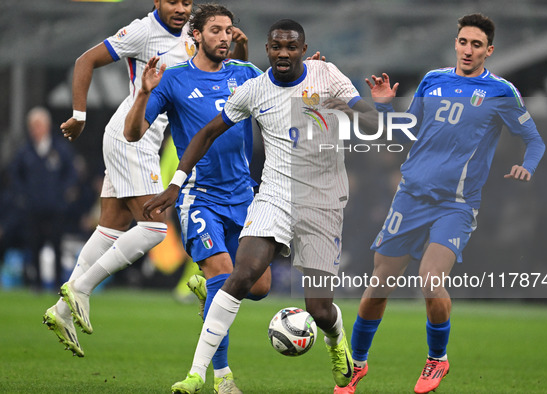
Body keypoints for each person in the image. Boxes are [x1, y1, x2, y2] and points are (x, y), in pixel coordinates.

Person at [143, 18, 383, 393]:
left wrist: (368, 108)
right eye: (276, 47)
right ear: (267, 50)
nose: (283, 53)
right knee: (241, 276)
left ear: (303, 50)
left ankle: (337, 344)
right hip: (273, 195)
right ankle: (197, 374)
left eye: (290, 47)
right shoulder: (254, 89)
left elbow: (367, 119)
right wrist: (176, 183)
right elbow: (207, 133)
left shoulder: (326, 74)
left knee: (319, 309)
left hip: (321, 201)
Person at [336, 13, 546, 394]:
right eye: (463, 42)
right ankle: (358, 364)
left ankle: (437, 358)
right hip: (411, 196)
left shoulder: (501, 91)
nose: (468, 50)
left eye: (477, 45)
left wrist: (526, 165)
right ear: (456, 43)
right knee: (379, 284)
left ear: (489, 50)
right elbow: (406, 130)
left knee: (430, 280)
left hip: (456, 204)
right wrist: (384, 107)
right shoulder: (433, 80)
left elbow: (535, 140)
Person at [42, 0, 248, 358]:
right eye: (173, 1)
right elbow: (84, 60)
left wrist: (236, 44)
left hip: (144, 140)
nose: (181, 8)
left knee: (111, 227)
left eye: (187, 1)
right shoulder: (142, 31)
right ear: (157, 2)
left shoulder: (195, 33)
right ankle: (81, 289)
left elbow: (229, 67)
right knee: (154, 228)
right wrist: (79, 113)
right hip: (131, 137)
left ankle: (61, 310)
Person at [124, 4, 271, 393]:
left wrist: (313, 75)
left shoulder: (244, 73)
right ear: (196, 36)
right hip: (198, 197)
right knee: (225, 275)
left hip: (244, 196)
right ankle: (220, 378)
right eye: (216, 31)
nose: (224, 37)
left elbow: (279, 89)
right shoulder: (173, 80)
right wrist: (143, 93)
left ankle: (209, 290)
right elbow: (133, 133)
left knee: (258, 287)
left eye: (228, 30)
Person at [11, 107, 79, 291]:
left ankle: (58, 283)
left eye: (39, 125)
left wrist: (63, 194)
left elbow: (71, 173)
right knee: (34, 245)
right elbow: (15, 176)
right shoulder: (24, 152)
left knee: (57, 245)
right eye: (33, 126)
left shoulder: (60, 149)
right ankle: (36, 284)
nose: (36, 130)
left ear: (47, 126)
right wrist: (24, 195)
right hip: (33, 207)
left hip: (55, 207)